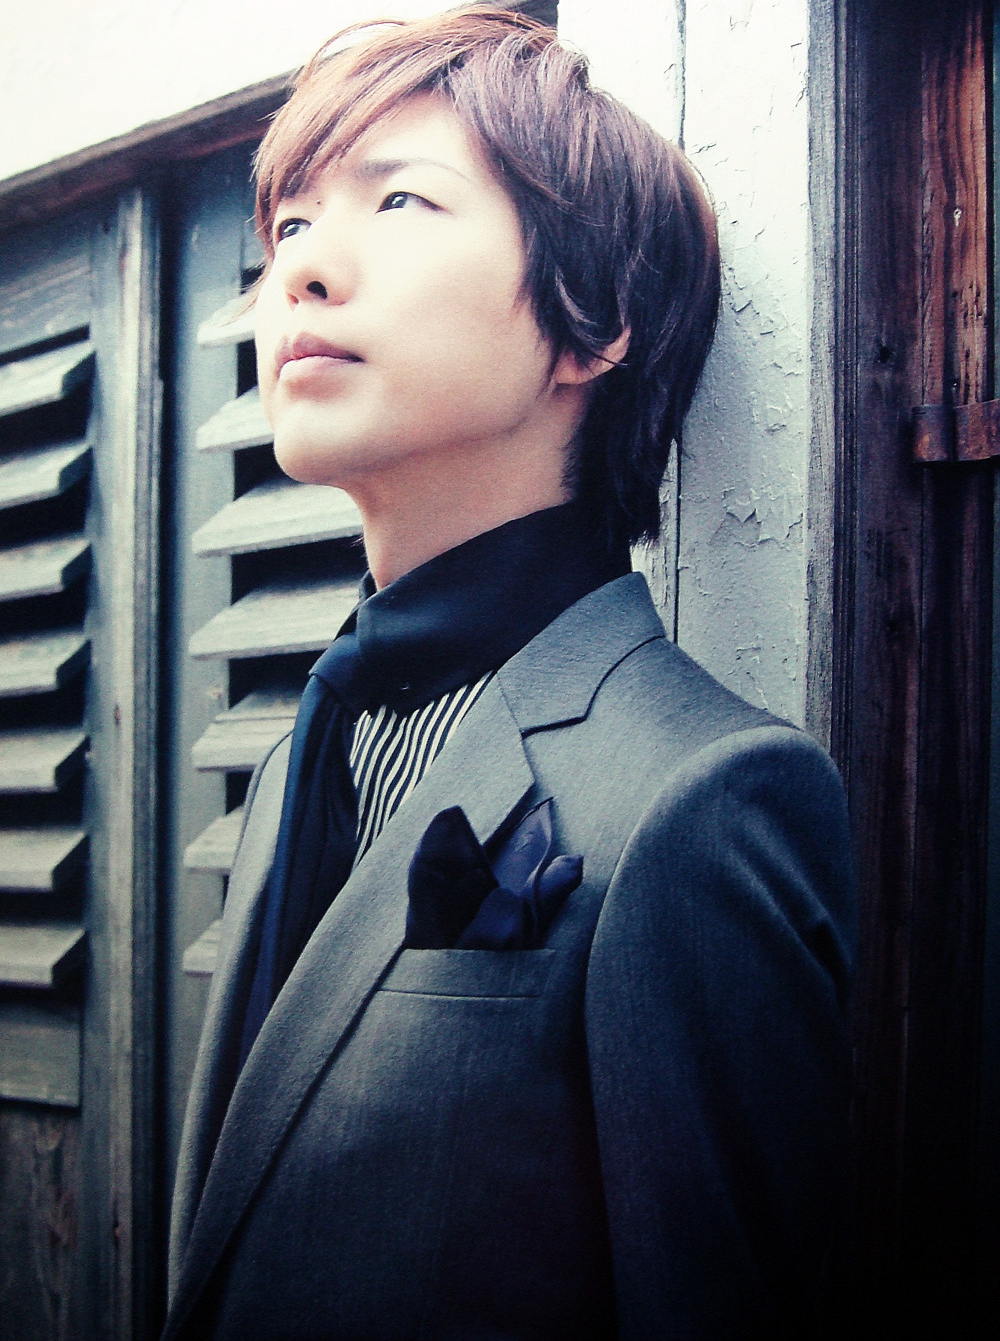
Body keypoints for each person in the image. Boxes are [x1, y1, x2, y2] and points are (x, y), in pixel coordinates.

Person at [163, 8, 855, 1339]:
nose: (299, 270)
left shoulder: (708, 800)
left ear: (596, 322)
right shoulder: (309, 744)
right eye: (291, 225)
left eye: (401, 201)